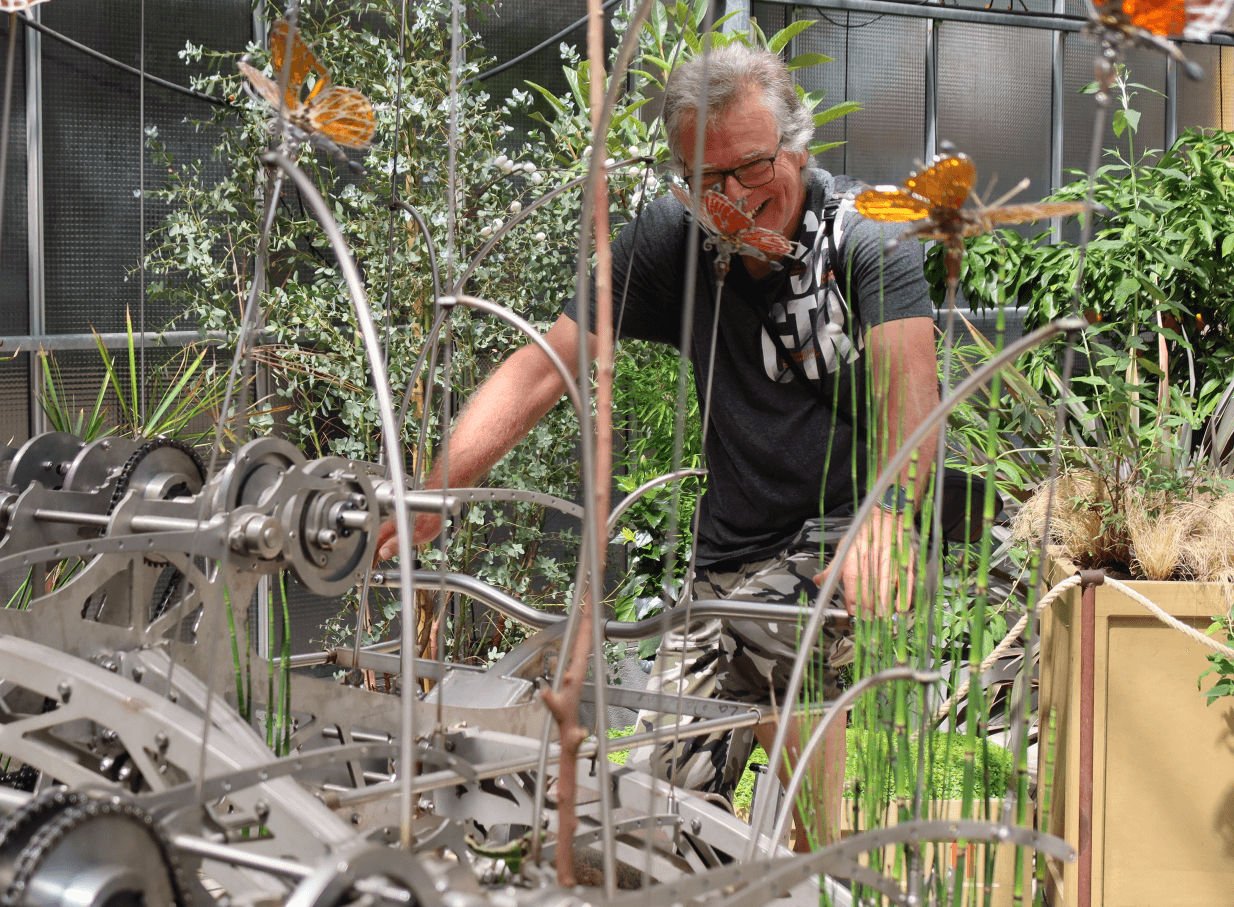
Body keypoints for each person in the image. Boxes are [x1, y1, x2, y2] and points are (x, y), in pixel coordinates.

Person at [373, 42, 939, 850]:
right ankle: (777, 868)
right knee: (653, 814)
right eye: (708, 179)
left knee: (774, 642)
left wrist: (890, 513)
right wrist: (436, 490)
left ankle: (816, 858)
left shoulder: (867, 234)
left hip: (842, 536)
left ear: (796, 147)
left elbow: (910, 395)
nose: (734, 198)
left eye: (752, 167)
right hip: (728, 559)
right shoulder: (676, 236)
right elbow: (546, 365)